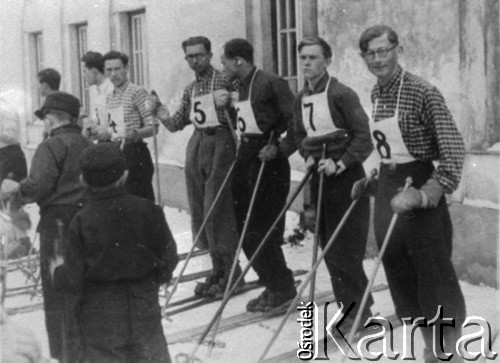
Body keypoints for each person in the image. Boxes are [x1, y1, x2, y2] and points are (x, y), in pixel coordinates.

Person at [354, 25, 466, 363]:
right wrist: (375, 179)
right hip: (390, 186)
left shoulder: (422, 91)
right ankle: (428, 347)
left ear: (398, 50)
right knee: (400, 274)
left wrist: (422, 195)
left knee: (433, 276)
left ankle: (448, 352)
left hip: (418, 187)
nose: (378, 59)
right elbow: (393, 149)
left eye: (383, 51)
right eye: (370, 53)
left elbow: (454, 153)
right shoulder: (377, 93)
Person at [50, 142, 178, 362]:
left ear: (83, 180)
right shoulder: (149, 210)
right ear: (124, 176)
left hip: (101, 312)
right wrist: (158, 277)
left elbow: (73, 277)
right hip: (143, 303)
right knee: (151, 355)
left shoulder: (81, 220)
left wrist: (58, 272)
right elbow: (169, 257)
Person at [146, 36, 241, 297]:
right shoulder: (190, 89)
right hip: (198, 144)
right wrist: (159, 110)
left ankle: (233, 269)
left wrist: (231, 99)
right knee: (199, 207)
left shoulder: (224, 79)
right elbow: (177, 123)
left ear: (210, 55)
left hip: (220, 141)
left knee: (216, 206)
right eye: (190, 56)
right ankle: (217, 268)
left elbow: (243, 103)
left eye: (200, 55)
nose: (195, 60)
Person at [0, 91, 92, 362]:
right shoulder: (88, 143)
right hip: (87, 220)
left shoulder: (51, 146)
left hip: (58, 224)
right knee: (84, 288)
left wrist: (14, 192)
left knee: (58, 293)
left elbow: (38, 184)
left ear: (51, 120)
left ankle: (65, 355)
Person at [293, 37, 375, 332]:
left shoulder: (342, 93)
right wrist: (308, 156)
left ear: (327, 60)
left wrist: (341, 163)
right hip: (319, 179)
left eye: (313, 57)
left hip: (346, 179)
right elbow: (300, 134)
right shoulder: (301, 96)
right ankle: (348, 307)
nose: (307, 63)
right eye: (303, 57)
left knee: (346, 249)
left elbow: (363, 137)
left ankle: (361, 310)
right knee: (328, 247)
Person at [219, 38, 296, 312]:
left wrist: (279, 148)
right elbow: (246, 120)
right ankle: (272, 282)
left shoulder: (271, 81)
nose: (223, 67)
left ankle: (282, 286)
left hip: (268, 159)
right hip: (247, 157)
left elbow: (296, 122)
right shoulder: (239, 86)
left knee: (263, 227)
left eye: (224, 61)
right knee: (244, 227)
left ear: (238, 60)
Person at [95, 50, 156, 201]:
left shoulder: (138, 92)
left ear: (126, 68)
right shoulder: (110, 97)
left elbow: (153, 127)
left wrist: (136, 133)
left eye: (117, 69)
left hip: (136, 153)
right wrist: (95, 134)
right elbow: (113, 131)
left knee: (140, 201)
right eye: (109, 70)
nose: (114, 74)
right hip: (117, 154)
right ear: (104, 71)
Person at [0, 100, 31, 258]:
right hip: (3, 155)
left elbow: (11, 135)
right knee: (3, 202)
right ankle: (10, 241)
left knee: (12, 199)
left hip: (10, 156)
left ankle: (23, 241)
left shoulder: (5, 108)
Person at [80, 51, 114, 139]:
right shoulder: (95, 91)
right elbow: (99, 121)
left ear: (94, 72)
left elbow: (117, 127)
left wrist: (96, 136)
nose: (83, 76)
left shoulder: (112, 90)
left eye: (85, 71)